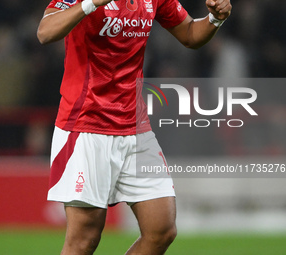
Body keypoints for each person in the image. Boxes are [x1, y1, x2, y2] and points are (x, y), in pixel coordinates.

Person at [37, 0, 232, 254]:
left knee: (162, 230)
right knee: (84, 240)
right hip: (85, 126)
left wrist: (215, 19)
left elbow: (189, 34)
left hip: (135, 127)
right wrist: (89, 4)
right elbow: (45, 32)